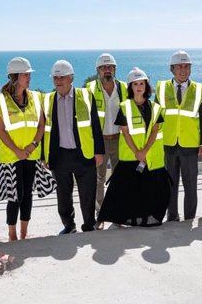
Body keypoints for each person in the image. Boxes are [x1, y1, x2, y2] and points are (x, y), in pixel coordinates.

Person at [98, 67, 171, 227]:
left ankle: (147, 219)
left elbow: (154, 131)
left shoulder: (157, 108)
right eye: (135, 84)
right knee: (122, 191)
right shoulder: (124, 107)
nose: (139, 87)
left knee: (152, 192)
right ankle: (108, 219)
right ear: (130, 87)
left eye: (142, 84)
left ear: (146, 86)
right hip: (130, 158)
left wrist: (144, 152)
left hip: (151, 158)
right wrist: (137, 152)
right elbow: (125, 133)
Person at [43, 60, 105, 234]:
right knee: (63, 195)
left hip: (84, 153)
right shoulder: (47, 100)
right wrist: (44, 155)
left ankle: (88, 225)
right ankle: (69, 225)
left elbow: (95, 125)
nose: (58, 81)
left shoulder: (85, 96)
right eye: (55, 78)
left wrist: (99, 151)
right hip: (59, 154)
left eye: (62, 77)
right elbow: (44, 130)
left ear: (71, 78)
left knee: (88, 193)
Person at [0, 57, 45, 241]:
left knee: (27, 195)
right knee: (15, 195)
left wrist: (32, 146)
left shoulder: (37, 98)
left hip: (31, 155)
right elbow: (0, 130)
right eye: (25, 74)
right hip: (11, 157)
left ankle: (24, 233)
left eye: (29, 74)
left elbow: (41, 126)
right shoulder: (1, 100)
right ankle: (12, 234)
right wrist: (17, 150)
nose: (29, 77)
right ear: (15, 76)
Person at [155, 50, 202, 222]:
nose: (183, 70)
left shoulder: (200, 90)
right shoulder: (161, 88)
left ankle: (189, 218)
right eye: (179, 67)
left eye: (186, 67)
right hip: (168, 145)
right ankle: (172, 217)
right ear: (172, 69)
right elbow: (156, 118)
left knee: (190, 186)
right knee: (170, 185)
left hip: (190, 146)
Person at [87, 53, 128, 214]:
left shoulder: (124, 88)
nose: (107, 70)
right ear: (98, 71)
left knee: (119, 179)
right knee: (98, 179)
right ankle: (100, 213)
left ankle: (117, 211)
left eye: (110, 67)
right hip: (100, 141)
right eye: (104, 68)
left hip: (120, 140)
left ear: (115, 69)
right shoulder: (90, 89)